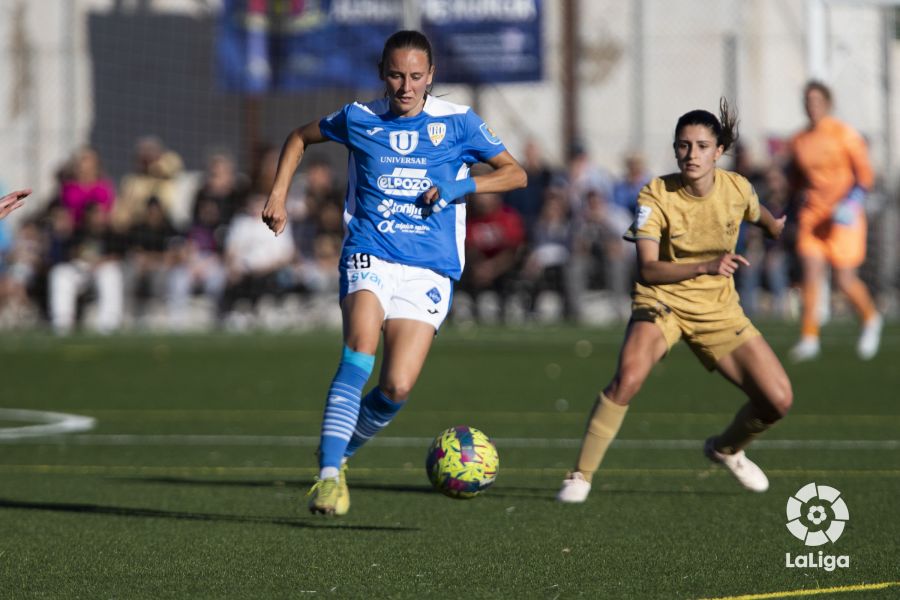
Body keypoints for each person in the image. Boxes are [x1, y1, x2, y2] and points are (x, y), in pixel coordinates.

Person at [262, 30, 526, 516]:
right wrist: (279, 194)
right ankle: (326, 476)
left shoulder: (460, 123)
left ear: (432, 77)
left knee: (396, 387)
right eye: (396, 75)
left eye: (416, 77)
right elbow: (299, 137)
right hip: (371, 252)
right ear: (383, 74)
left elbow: (515, 173)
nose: (406, 86)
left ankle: (339, 456)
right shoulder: (359, 118)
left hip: (429, 268)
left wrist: (458, 184)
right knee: (358, 351)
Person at [556, 100, 792, 503]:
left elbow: (765, 218)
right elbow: (648, 269)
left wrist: (776, 226)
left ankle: (726, 449)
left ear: (719, 152)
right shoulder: (656, 193)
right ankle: (580, 475)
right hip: (661, 301)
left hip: (717, 309)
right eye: (683, 145)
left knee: (778, 400)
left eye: (702, 146)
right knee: (627, 379)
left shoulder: (738, 190)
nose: (691, 154)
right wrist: (706, 265)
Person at [787, 80, 882, 362]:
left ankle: (870, 318)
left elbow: (864, 176)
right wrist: (795, 196)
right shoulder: (799, 140)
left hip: (843, 216)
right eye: (808, 101)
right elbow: (796, 179)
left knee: (843, 279)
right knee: (811, 273)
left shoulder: (845, 134)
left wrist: (851, 203)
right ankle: (809, 336)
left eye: (817, 101)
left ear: (827, 103)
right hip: (813, 216)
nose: (812, 106)